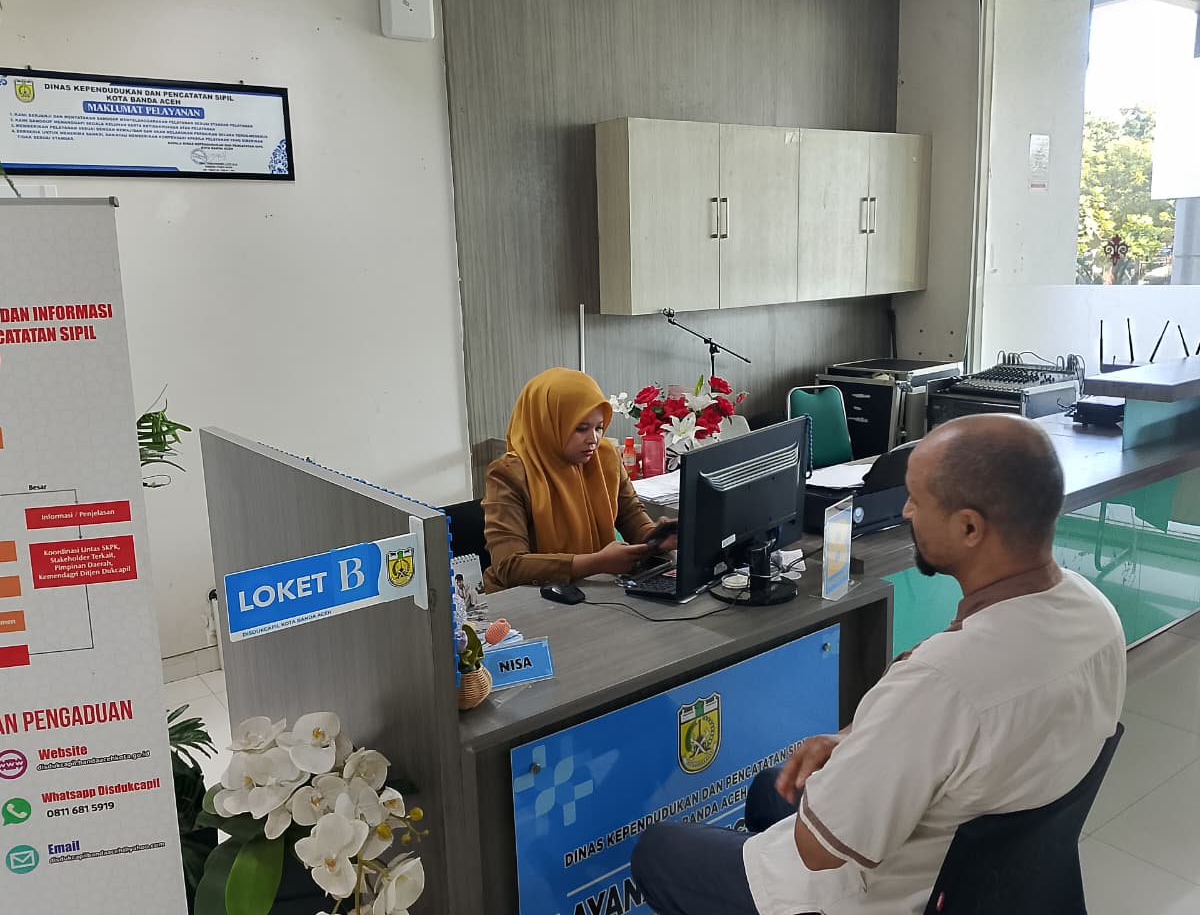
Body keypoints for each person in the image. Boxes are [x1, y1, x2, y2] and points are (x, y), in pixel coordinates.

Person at [631, 413, 1126, 915]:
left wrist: (859, 752)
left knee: (660, 851)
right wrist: (853, 741)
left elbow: (817, 851)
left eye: (918, 499)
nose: (907, 510)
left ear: (969, 527)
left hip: (889, 895)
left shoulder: (942, 682)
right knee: (769, 790)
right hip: (997, 873)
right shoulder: (1095, 614)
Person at [481, 367, 675, 593]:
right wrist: (597, 563)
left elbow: (632, 516)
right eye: (581, 429)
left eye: (599, 427)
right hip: (528, 599)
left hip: (592, 590)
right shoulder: (508, 474)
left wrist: (656, 538)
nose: (593, 439)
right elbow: (509, 566)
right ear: (548, 424)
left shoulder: (605, 457)